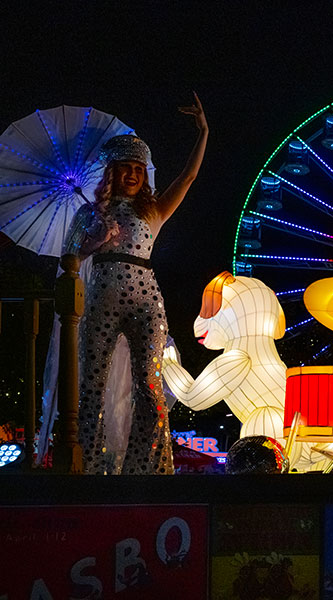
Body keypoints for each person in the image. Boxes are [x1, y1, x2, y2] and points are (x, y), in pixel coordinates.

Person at [70, 94, 208, 474]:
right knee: (92, 384)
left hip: (146, 299)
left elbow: (189, 177)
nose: (132, 174)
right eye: (125, 168)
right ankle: (92, 465)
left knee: (150, 387)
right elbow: (70, 259)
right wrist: (93, 243)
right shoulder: (89, 212)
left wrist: (203, 132)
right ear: (112, 172)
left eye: (138, 168)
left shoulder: (154, 210)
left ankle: (144, 467)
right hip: (101, 298)